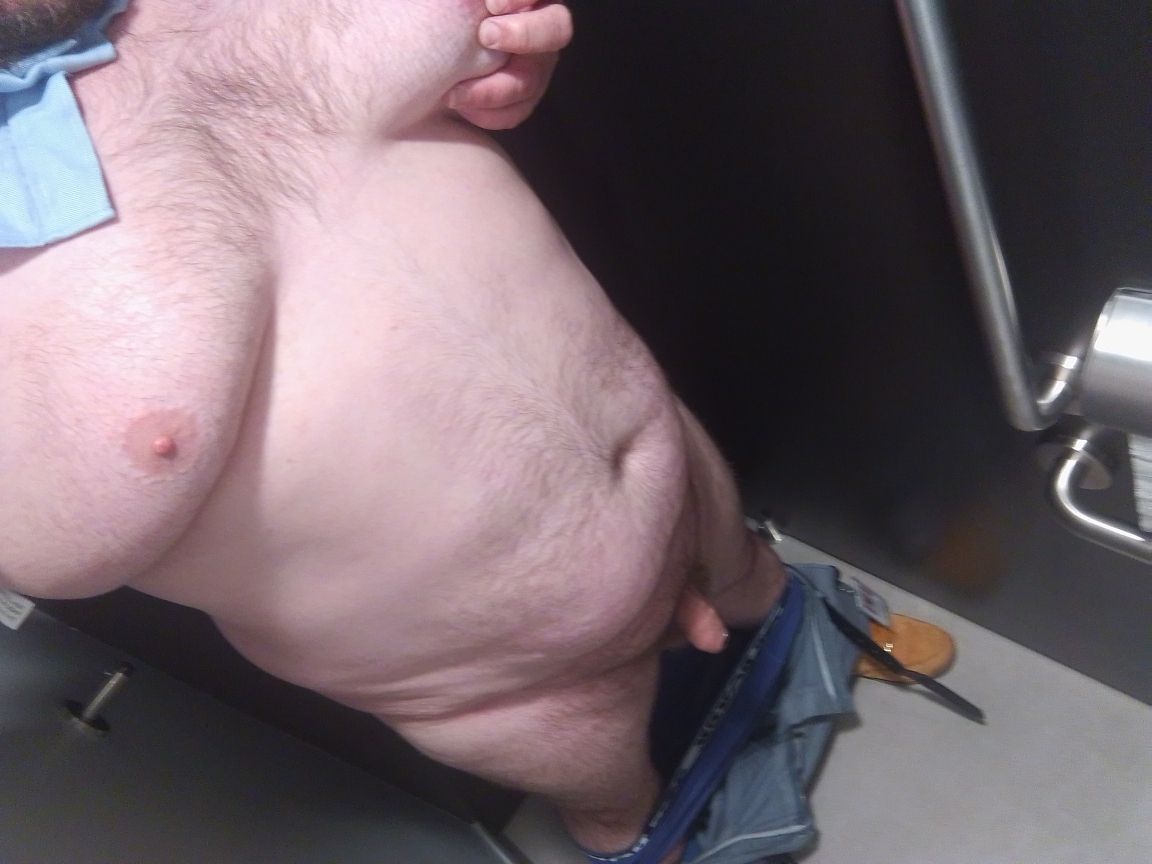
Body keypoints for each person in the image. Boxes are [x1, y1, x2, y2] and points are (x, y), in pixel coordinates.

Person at [0, 2, 787, 860]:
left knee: (773, 593)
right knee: (622, 814)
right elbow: (52, 544)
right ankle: (624, 831)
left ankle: (782, 609)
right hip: (511, 691)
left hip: (688, 481)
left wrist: (513, 35)